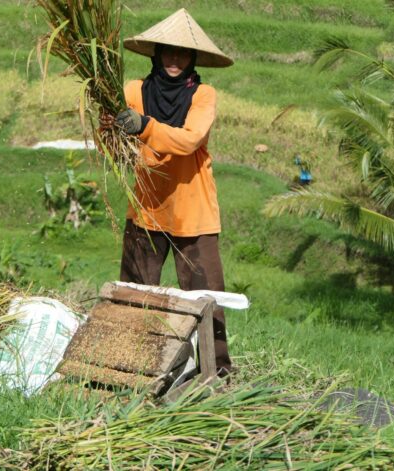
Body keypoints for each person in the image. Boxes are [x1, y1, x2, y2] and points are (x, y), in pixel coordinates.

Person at [115, 9, 235, 375]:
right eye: (168, 51)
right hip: (147, 206)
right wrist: (114, 128)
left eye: (183, 54)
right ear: (156, 53)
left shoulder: (203, 95)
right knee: (134, 294)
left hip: (193, 211)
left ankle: (218, 374)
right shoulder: (134, 91)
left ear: (193, 58)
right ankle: (130, 364)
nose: (174, 59)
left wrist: (145, 126)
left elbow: (188, 141)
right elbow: (117, 129)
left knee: (205, 298)